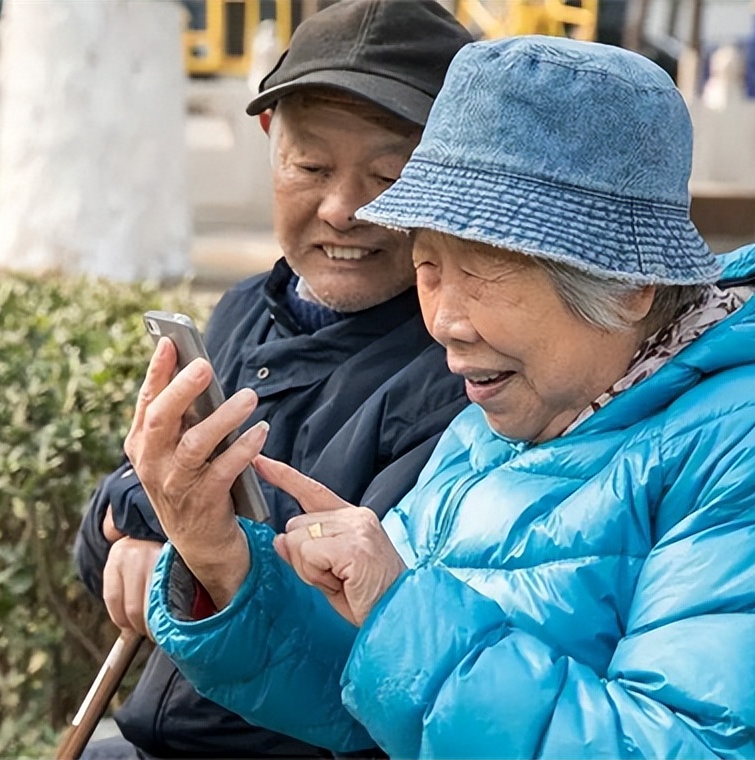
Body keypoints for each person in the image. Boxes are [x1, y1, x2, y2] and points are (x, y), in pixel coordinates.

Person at [132, 36, 755, 759]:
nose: (443, 322)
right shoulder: (506, 418)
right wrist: (223, 561)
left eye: (483, 270)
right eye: (428, 264)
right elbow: (374, 698)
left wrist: (399, 608)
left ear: (628, 287)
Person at [71, 2, 472, 758]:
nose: (344, 208)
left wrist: (179, 535)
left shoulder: (454, 375)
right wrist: (135, 524)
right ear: (269, 142)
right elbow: (110, 524)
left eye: (390, 175)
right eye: (311, 166)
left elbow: (327, 600)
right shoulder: (241, 310)